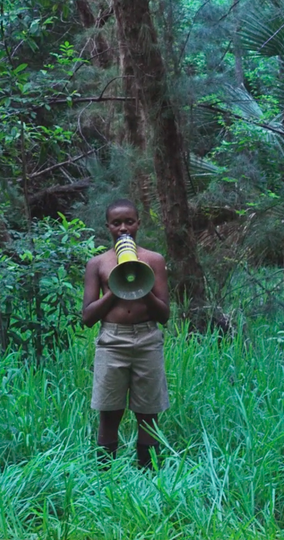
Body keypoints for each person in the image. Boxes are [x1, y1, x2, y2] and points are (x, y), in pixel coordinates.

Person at [82, 199, 170, 469]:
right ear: (108, 226)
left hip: (147, 339)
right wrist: (116, 288)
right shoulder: (97, 263)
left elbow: (164, 315)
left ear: (138, 223)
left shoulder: (153, 260)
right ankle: (105, 476)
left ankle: (149, 475)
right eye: (116, 223)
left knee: (148, 413)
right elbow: (87, 317)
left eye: (129, 221)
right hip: (112, 340)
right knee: (109, 412)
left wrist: (141, 286)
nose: (123, 228)